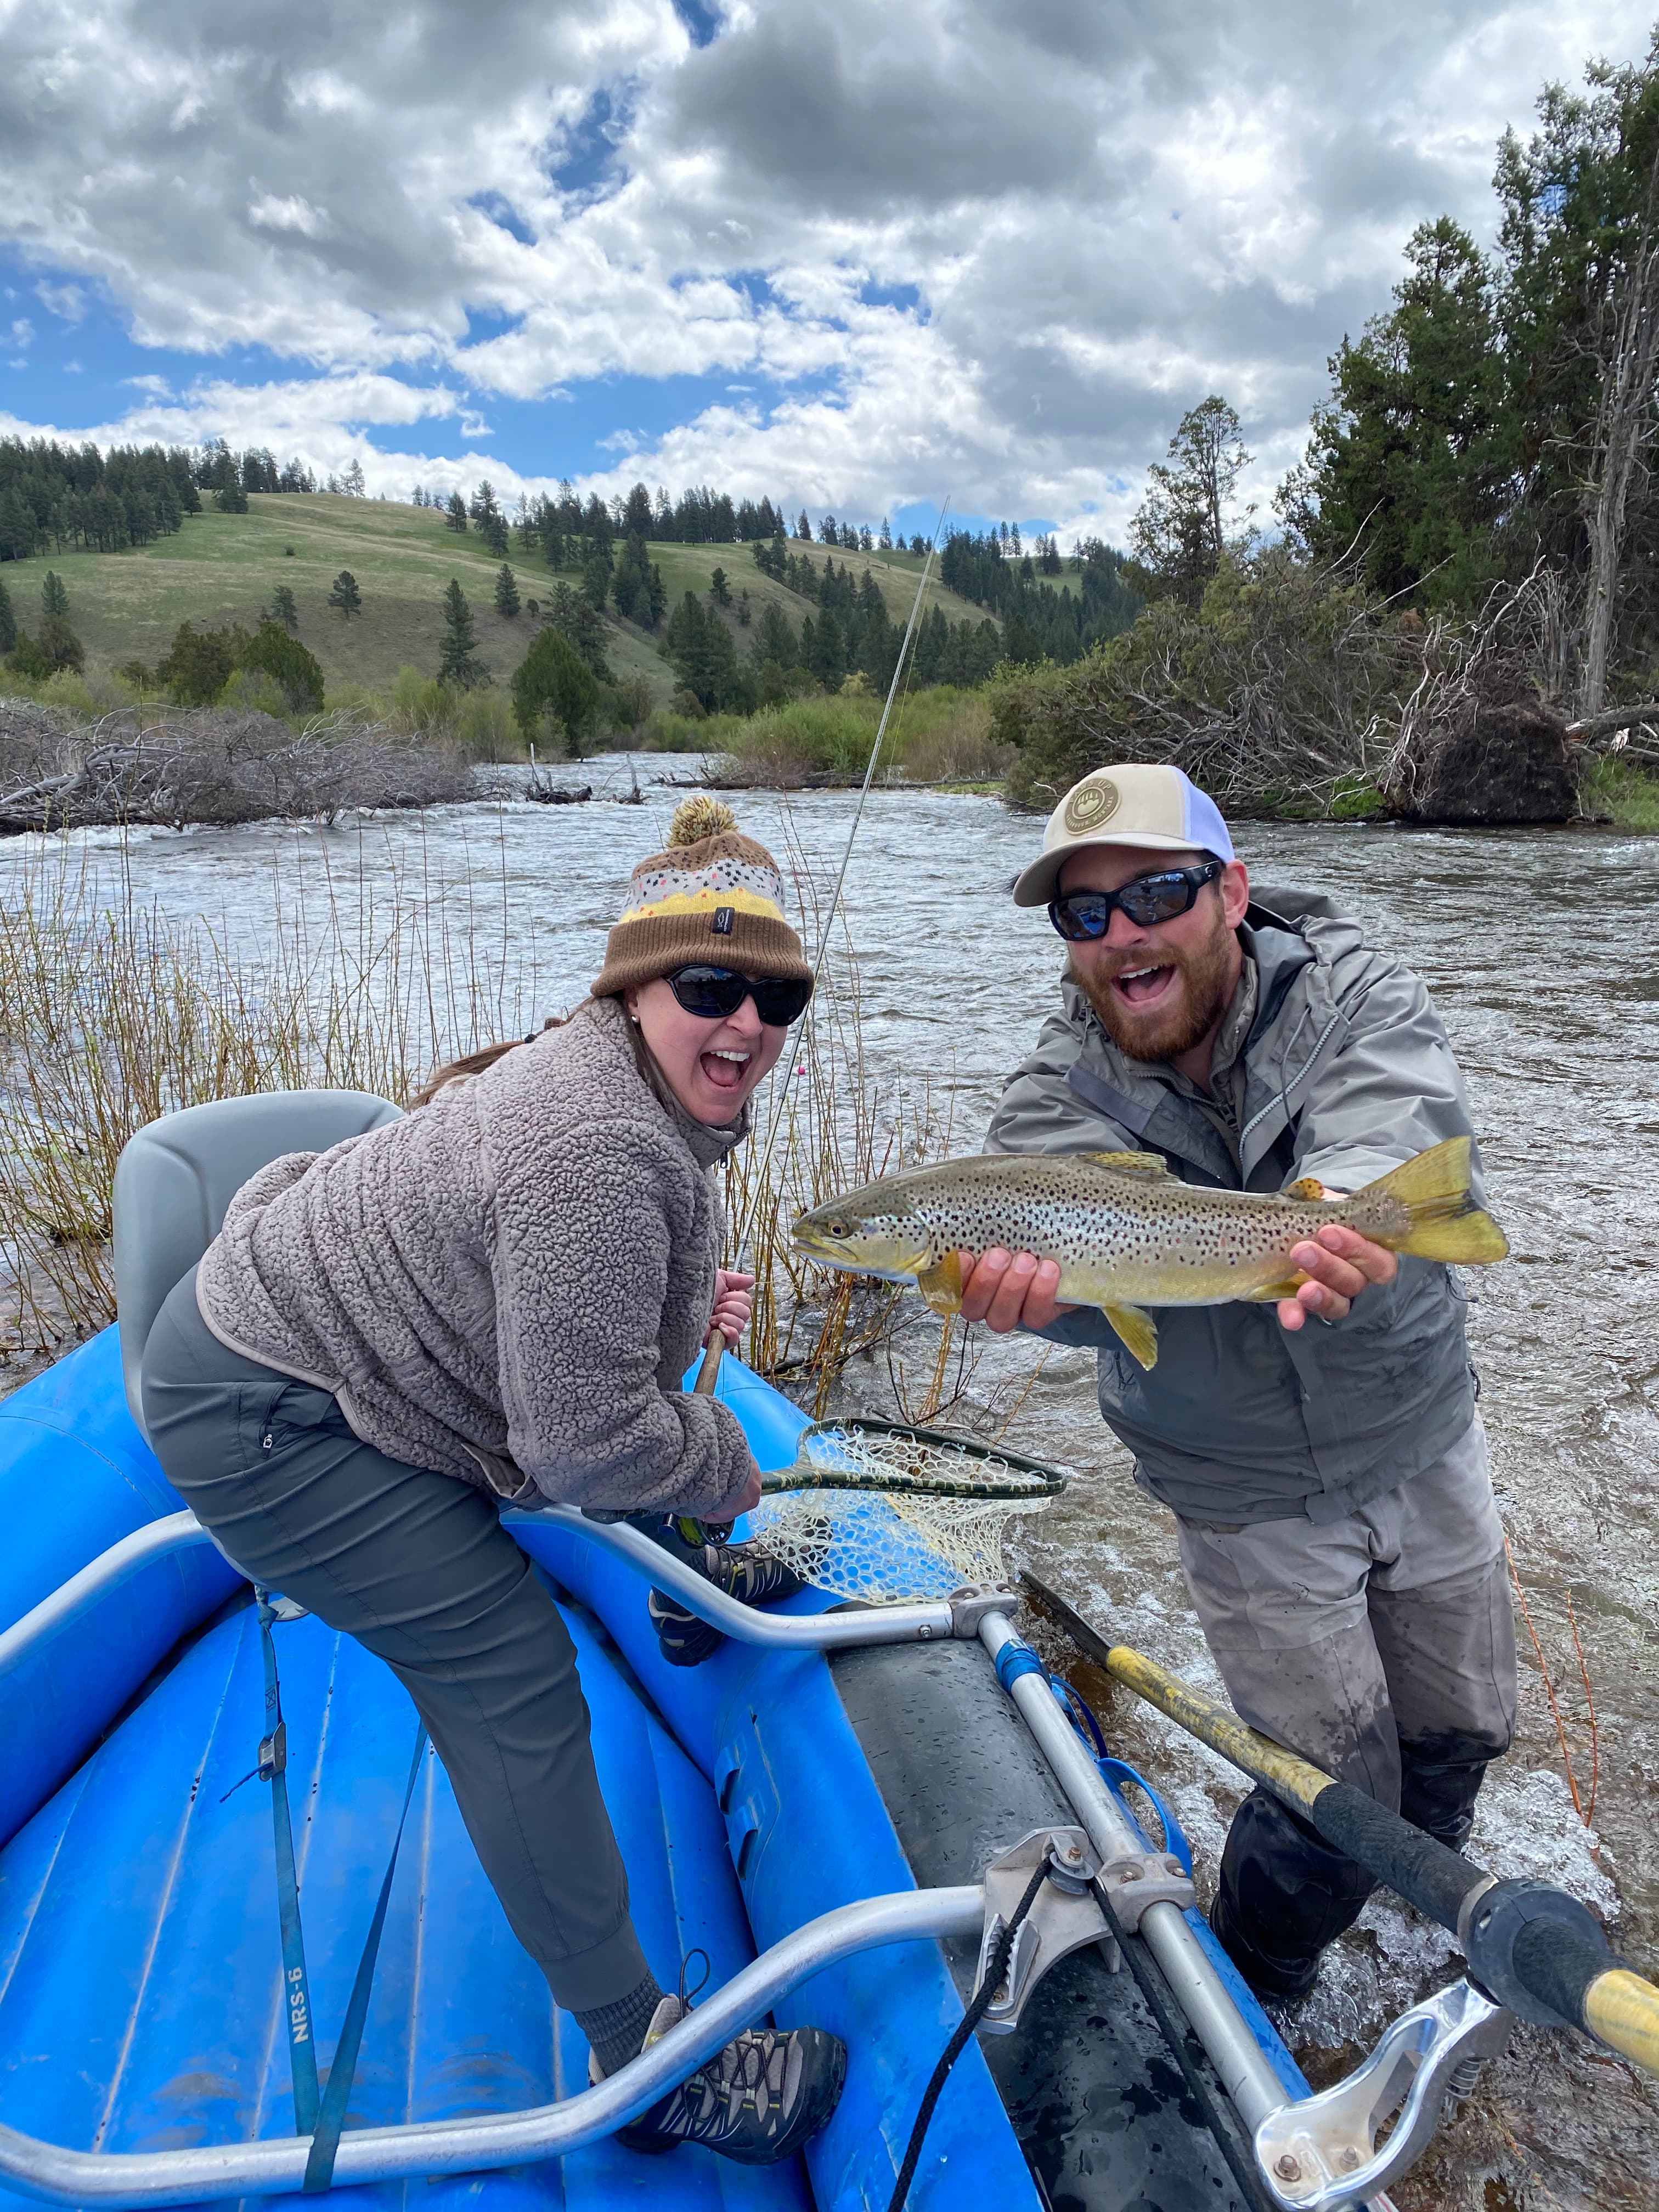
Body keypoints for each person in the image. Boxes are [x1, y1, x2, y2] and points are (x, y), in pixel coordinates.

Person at [139, 796, 847, 2163]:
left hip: (342, 1351)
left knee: (633, 1431)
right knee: (511, 1666)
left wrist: (678, 1308)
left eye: (775, 997)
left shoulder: (622, 1085)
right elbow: (580, 1445)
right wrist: (723, 1467)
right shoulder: (593, 1141)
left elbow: (579, 1345)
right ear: (634, 988)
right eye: (713, 987)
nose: (747, 1024)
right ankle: (645, 2060)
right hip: (264, 1413)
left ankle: (686, 1580)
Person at [959, 763, 1517, 2004]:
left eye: (1155, 890)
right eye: (1083, 914)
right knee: (1330, 1790)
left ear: (1232, 892)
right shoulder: (1051, 1105)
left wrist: (1336, 1213)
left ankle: (1435, 1905)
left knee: (1464, 1726)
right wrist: (1025, 1306)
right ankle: (1259, 1992)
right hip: (1242, 1494)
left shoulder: (1353, 986)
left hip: (1420, 1432)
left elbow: (1396, 1115)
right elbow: (1094, 1309)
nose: (1122, 933)